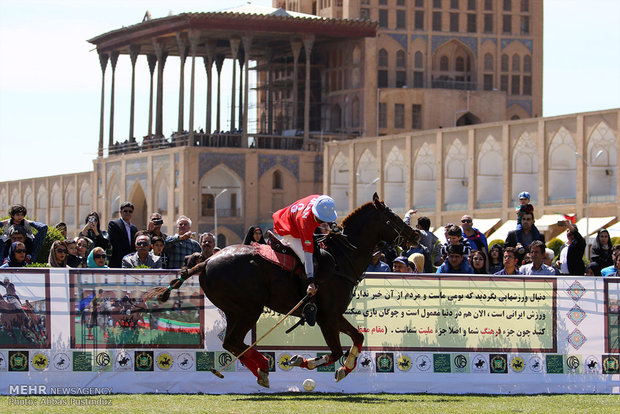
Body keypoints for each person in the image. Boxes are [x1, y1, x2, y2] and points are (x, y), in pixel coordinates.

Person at [272, 194, 337, 326]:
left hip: (294, 220)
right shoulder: (306, 221)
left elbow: (325, 215)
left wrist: (332, 223)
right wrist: (311, 281)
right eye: (322, 220)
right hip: (289, 230)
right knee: (311, 261)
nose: (322, 222)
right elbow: (307, 255)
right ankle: (308, 304)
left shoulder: (321, 200)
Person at [107, 202, 138, 268]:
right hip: (117, 262)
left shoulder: (134, 228)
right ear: (120, 212)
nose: (128, 213)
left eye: (130, 211)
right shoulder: (114, 225)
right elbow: (115, 244)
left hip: (131, 263)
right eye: (125, 211)